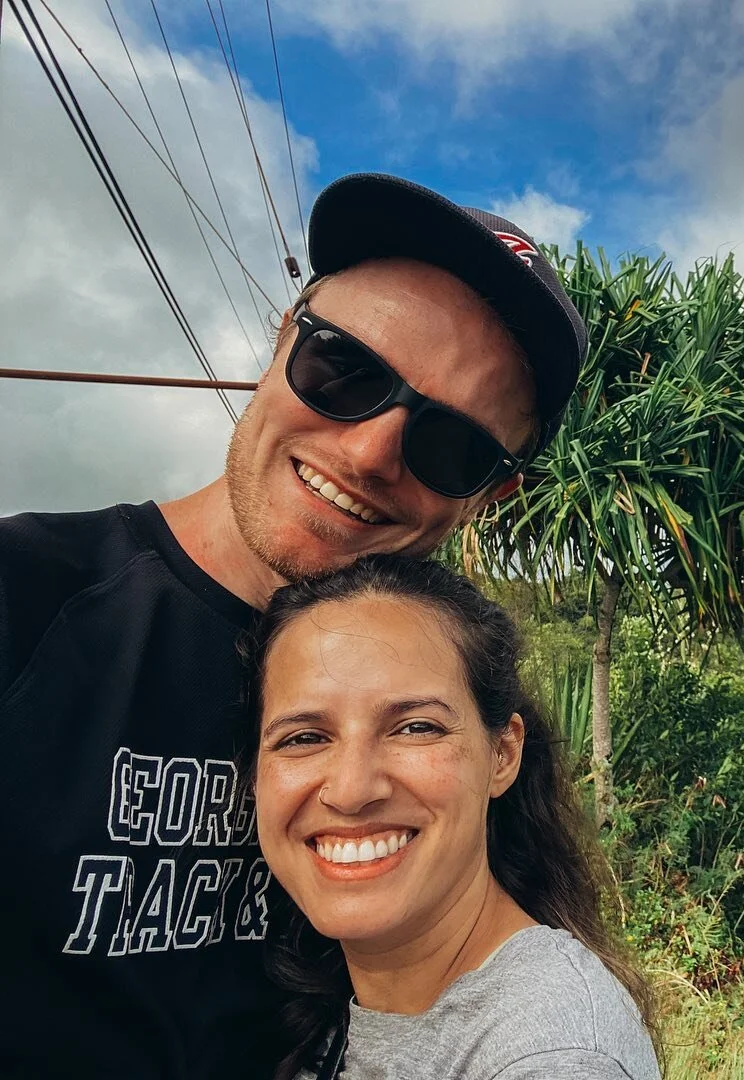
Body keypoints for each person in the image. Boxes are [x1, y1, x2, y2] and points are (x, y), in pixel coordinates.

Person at [0, 174, 587, 1079]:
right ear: (283, 340)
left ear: (487, 495)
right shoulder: (26, 598)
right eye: (345, 369)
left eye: (452, 444)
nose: (368, 453)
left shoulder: (457, 713)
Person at [247, 554, 659, 1080]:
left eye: (416, 728)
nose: (351, 790)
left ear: (502, 754)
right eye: (304, 738)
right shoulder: (327, 999)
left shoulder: (552, 1050)